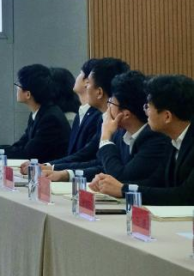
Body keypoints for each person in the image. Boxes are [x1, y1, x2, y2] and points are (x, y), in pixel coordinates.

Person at [90, 74, 194, 205]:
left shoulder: (166, 139)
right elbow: (157, 182)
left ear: (167, 116)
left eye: (148, 107)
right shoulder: (172, 140)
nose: (145, 111)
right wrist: (113, 185)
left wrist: (123, 189)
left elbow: (185, 195)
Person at [40, 57, 129, 181]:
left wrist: (58, 170)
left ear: (99, 92)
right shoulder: (102, 118)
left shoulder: (119, 124)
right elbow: (95, 159)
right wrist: (56, 169)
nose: (86, 87)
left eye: (89, 83)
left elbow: (95, 160)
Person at [0, 64, 70, 163]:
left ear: (28, 94)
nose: (16, 88)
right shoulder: (39, 113)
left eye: (18, 85)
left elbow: (26, 153)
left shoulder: (51, 119)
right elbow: (20, 146)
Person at [92, 71, 171, 182]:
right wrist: (69, 174)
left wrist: (105, 138)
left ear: (126, 114)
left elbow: (121, 178)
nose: (108, 107)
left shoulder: (155, 138)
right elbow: (107, 166)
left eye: (111, 102)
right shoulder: (121, 132)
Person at [66, 59, 102, 156]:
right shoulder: (81, 112)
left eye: (80, 73)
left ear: (87, 81)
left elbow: (86, 155)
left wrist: (52, 164)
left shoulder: (97, 116)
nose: (76, 77)